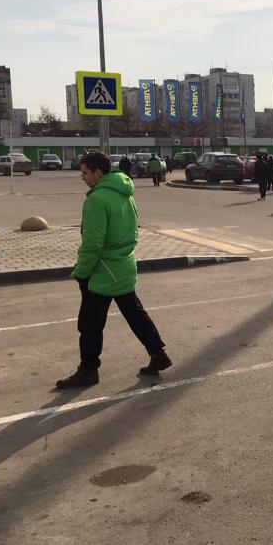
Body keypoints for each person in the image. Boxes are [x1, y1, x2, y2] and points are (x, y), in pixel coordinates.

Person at [56, 152, 171, 388]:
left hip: (103, 270)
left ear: (98, 173)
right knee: (135, 314)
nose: (82, 177)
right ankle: (158, 354)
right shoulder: (125, 193)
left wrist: (82, 271)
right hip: (124, 265)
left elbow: (92, 244)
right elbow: (134, 228)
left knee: (90, 324)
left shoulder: (97, 200)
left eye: (85, 173)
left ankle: (88, 370)